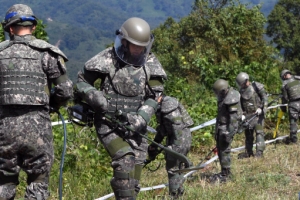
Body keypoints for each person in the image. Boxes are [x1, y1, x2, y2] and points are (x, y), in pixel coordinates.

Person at [75, 17, 167, 200]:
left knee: (134, 178)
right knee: (125, 160)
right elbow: (81, 82)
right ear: (124, 42)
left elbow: (156, 96)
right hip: (109, 124)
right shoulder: (106, 59)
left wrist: (141, 117)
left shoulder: (150, 63)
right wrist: (94, 95)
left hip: (137, 127)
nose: (139, 51)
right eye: (135, 46)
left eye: (142, 47)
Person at [0, 4, 73, 200]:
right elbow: (65, 90)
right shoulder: (48, 54)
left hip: (4, 129)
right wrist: (53, 106)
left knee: (3, 183)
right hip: (38, 128)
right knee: (38, 184)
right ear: (33, 27)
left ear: (10, 29)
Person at [148, 96, 193, 198]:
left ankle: (174, 195)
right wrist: (154, 144)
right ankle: (179, 192)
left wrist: (172, 147)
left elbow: (172, 129)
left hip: (178, 140)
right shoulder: (169, 104)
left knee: (172, 168)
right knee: (178, 167)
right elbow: (165, 129)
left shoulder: (167, 108)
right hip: (185, 137)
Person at [211, 79, 242, 183]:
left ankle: (226, 174)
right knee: (220, 150)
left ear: (223, 90)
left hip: (226, 128)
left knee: (224, 151)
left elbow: (234, 120)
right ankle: (224, 171)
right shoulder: (224, 96)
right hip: (221, 126)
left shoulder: (231, 99)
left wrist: (229, 133)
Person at [235, 72, 268, 158]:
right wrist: (241, 114)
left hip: (258, 115)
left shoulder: (256, 86)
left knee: (259, 133)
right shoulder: (241, 91)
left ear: (246, 81)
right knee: (248, 135)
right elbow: (239, 104)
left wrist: (262, 108)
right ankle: (249, 152)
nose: (241, 86)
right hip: (248, 116)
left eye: (242, 84)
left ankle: (259, 153)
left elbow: (265, 98)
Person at [280, 69, 300, 144]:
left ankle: (294, 140)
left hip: (293, 104)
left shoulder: (285, 84)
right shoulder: (298, 79)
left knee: (293, 122)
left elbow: (285, 98)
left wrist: (283, 108)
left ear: (285, 76)